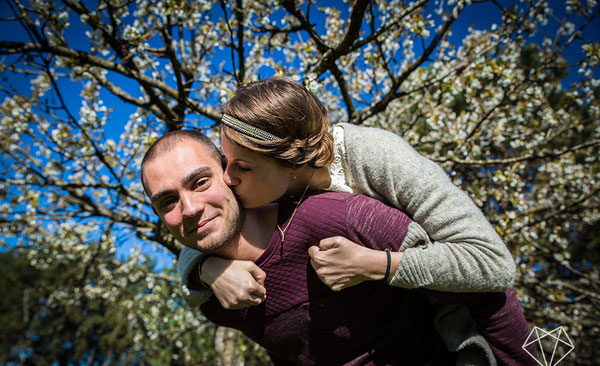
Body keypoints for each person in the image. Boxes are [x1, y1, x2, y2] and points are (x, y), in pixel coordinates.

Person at [140, 130, 543, 366]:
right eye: (168, 202)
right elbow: (295, 356)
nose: (189, 208)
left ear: (230, 174)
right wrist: (207, 270)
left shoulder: (339, 219)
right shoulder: (217, 301)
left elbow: (485, 285)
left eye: (199, 182)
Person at [176, 77, 517, 312]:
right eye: (225, 161)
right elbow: (193, 237)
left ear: (292, 160)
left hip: (460, 328)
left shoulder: (375, 154)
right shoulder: (257, 183)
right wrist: (210, 270)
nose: (227, 177)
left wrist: (376, 264)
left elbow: (493, 264)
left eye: (243, 167)